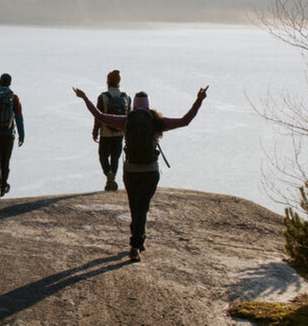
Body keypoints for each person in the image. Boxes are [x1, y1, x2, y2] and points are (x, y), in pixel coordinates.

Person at [73, 85, 208, 262]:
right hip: (150, 172)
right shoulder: (157, 122)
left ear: (134, 107)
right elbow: (185, 121)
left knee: (135, 209)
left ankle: (137, 242)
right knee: (142, 209)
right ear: (148, 106)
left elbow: (100, 116)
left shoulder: (126, 121)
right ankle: (136, 244)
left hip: (131, 171)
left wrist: (85, 98)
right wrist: (199, 100)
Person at [92, 70, 131, 192]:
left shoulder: (102, 97)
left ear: (108, 82)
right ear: (119, 82)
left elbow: (98, 117)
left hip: (105, 133)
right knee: (115, 158)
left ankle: (109, 175)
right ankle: (111, 180)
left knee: (103, 156)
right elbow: (129, 117)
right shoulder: (126, 97)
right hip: (119, 133)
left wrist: (95, 131)